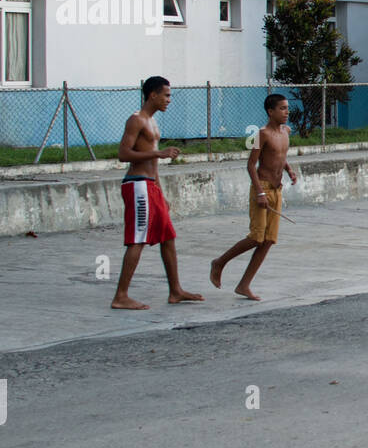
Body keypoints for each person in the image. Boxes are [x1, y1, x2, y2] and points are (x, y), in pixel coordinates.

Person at [111, 76, 205, 310]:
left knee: (168, 237)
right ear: (153, 95)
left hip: (150, 185)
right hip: (137, 184)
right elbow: (123, 154)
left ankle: (175, 291)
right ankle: (121, 296)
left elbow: (153, 161)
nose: (169, 100)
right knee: (138, 239)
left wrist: (160, 192)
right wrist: (158, 154)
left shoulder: (152, 122)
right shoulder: (136, 120)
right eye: (166, 95)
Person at [210, 94, 297, 300]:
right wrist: (259, 192)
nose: (286, 112)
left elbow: (280, 156)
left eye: (287, 108)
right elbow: (251, 165)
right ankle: (219, 262)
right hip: (263, 188)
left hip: (277, 189)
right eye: (282, 108)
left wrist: (290, 171)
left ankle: (244, 285)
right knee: (256, 237)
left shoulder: (286, 131)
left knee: (268, 240)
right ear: (271, 111)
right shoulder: (262, 134)